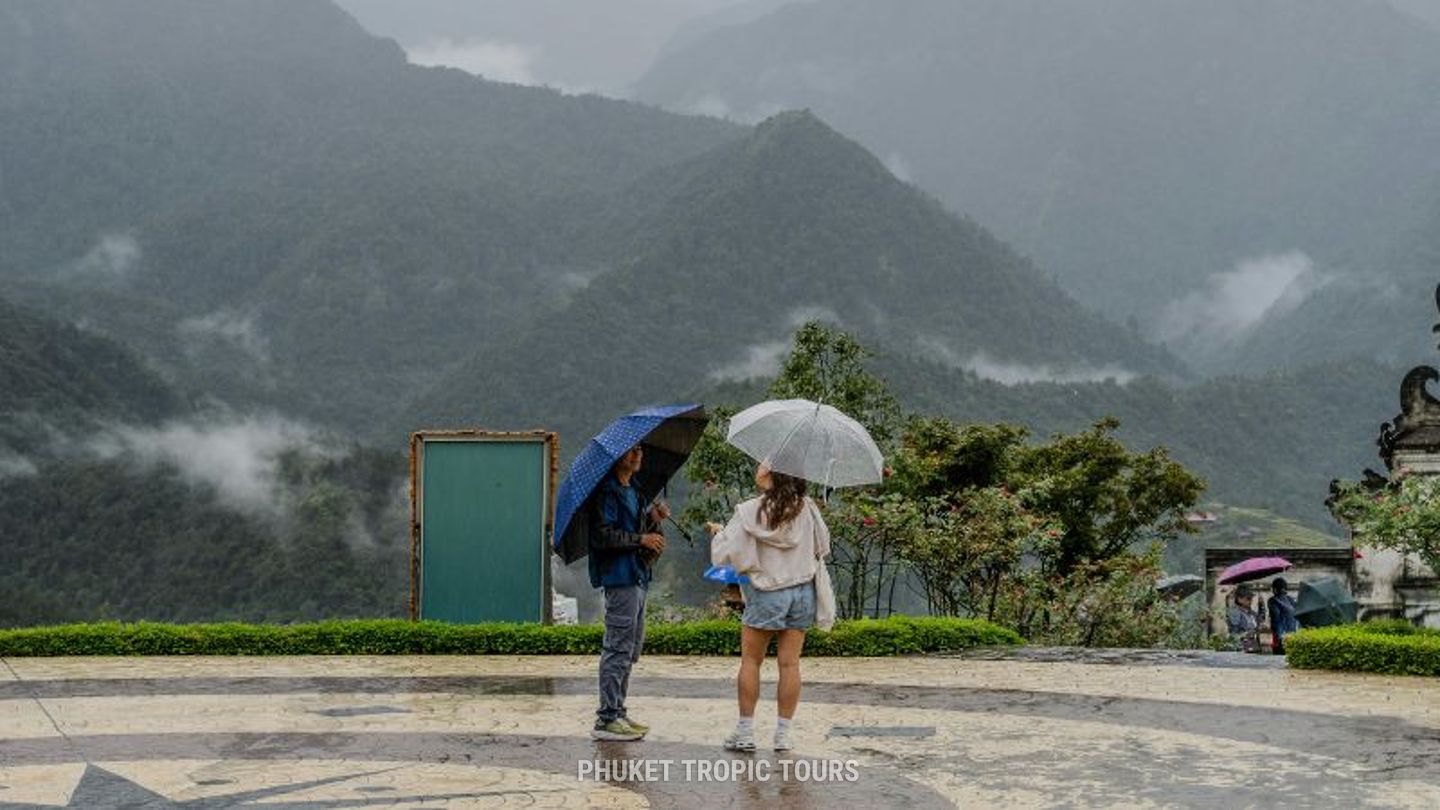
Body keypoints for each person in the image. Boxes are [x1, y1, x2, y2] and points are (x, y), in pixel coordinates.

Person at [707, 462, 830, 753]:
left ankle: (746, 732)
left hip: (766, 592)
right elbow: (822, 546)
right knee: (790, 664)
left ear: (769, 474)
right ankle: (783, 735)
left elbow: (723, 555)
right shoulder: (808, 508)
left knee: (752, 662)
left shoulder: (750, 510)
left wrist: (718, 534)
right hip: (802, 591)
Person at [588, 444, 668, 741]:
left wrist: (654, 520)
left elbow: (640, 529)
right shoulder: (607, 491)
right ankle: (606, 718)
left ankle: (619, 711)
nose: (637, 456)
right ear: (617, 456)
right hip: (619, 577)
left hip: (639, 575)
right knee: (617, 647)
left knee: (631, 648)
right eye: (630, 451)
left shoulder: (635, 490)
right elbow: (602, 535)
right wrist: (641, 539)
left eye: (640, 451)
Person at [1267, 577, 1300, 654]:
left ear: (1274, 589)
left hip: (1281, 637)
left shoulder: (1273, 601)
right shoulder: (1291, 600)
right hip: (1294, 636)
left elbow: (1276, 619)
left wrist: (1279, 636)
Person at [1226, 584, 1262, 653]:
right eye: (1248, 598)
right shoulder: (1235, 612)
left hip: (1253, 646)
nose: (1251, 601)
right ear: (1239, 599)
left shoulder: (1250, 612)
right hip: (1242, 648)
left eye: (1251, 598)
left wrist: (1261, 606)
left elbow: (1260, 620)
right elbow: (1234, 633)